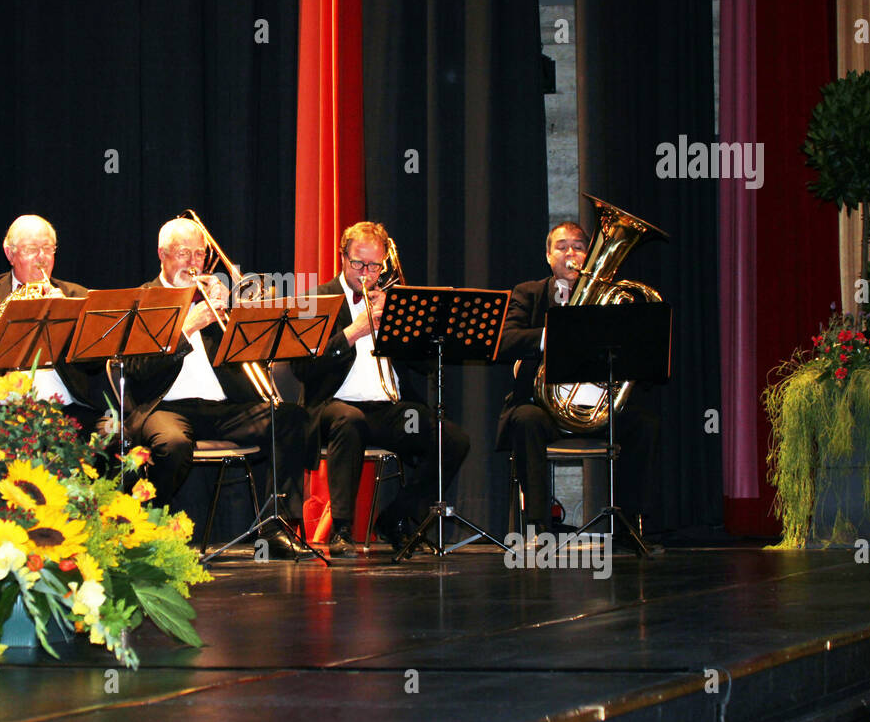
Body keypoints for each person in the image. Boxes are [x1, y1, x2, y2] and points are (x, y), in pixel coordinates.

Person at [125, 217, 310, 556]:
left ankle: (275, 526)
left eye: (199, 255)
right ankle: (144, 525)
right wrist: (187, 328)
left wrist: (236, 311)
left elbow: (251, 351)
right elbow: (137, 370)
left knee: (289, 419)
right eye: (184, 253)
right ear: (162, 255)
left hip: (220, 408)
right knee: (173, 445)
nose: (194, 263)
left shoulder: (214, 299)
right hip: (165, 407)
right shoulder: (144, 298)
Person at [295, 221, 470, 558]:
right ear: (342, 257)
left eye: (374, 265)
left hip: (390, 412)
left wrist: (408, 326)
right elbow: (304, 369)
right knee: (349, 421)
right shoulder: (316, 298)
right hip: (335, 407)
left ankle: (398, 518)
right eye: (358, 263)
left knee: (448, 438)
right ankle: (341, 530)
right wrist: (353, 332)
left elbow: (424, 365)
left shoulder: (392, 300)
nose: (366, 272)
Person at [496, 221, 659, 547]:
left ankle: (629, 527)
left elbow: (641, 355)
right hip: (543, 408)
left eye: (579, 246)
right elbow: (506, 340)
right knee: (526, 420)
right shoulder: (528, 293)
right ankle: (538, 527)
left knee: (644, 424)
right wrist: (555, 337)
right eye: (562, 246)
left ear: (589, 254)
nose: (571, 253)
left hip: (597, 410)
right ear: (548, 255)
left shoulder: (613, 299)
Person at [0, 214, 109, 439]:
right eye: (31, 249)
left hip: (66, 409)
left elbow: (96, 363)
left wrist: (69, 316)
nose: (41, 258)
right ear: (10, 254)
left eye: (48, 248)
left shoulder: (78, 296)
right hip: (1, 411)